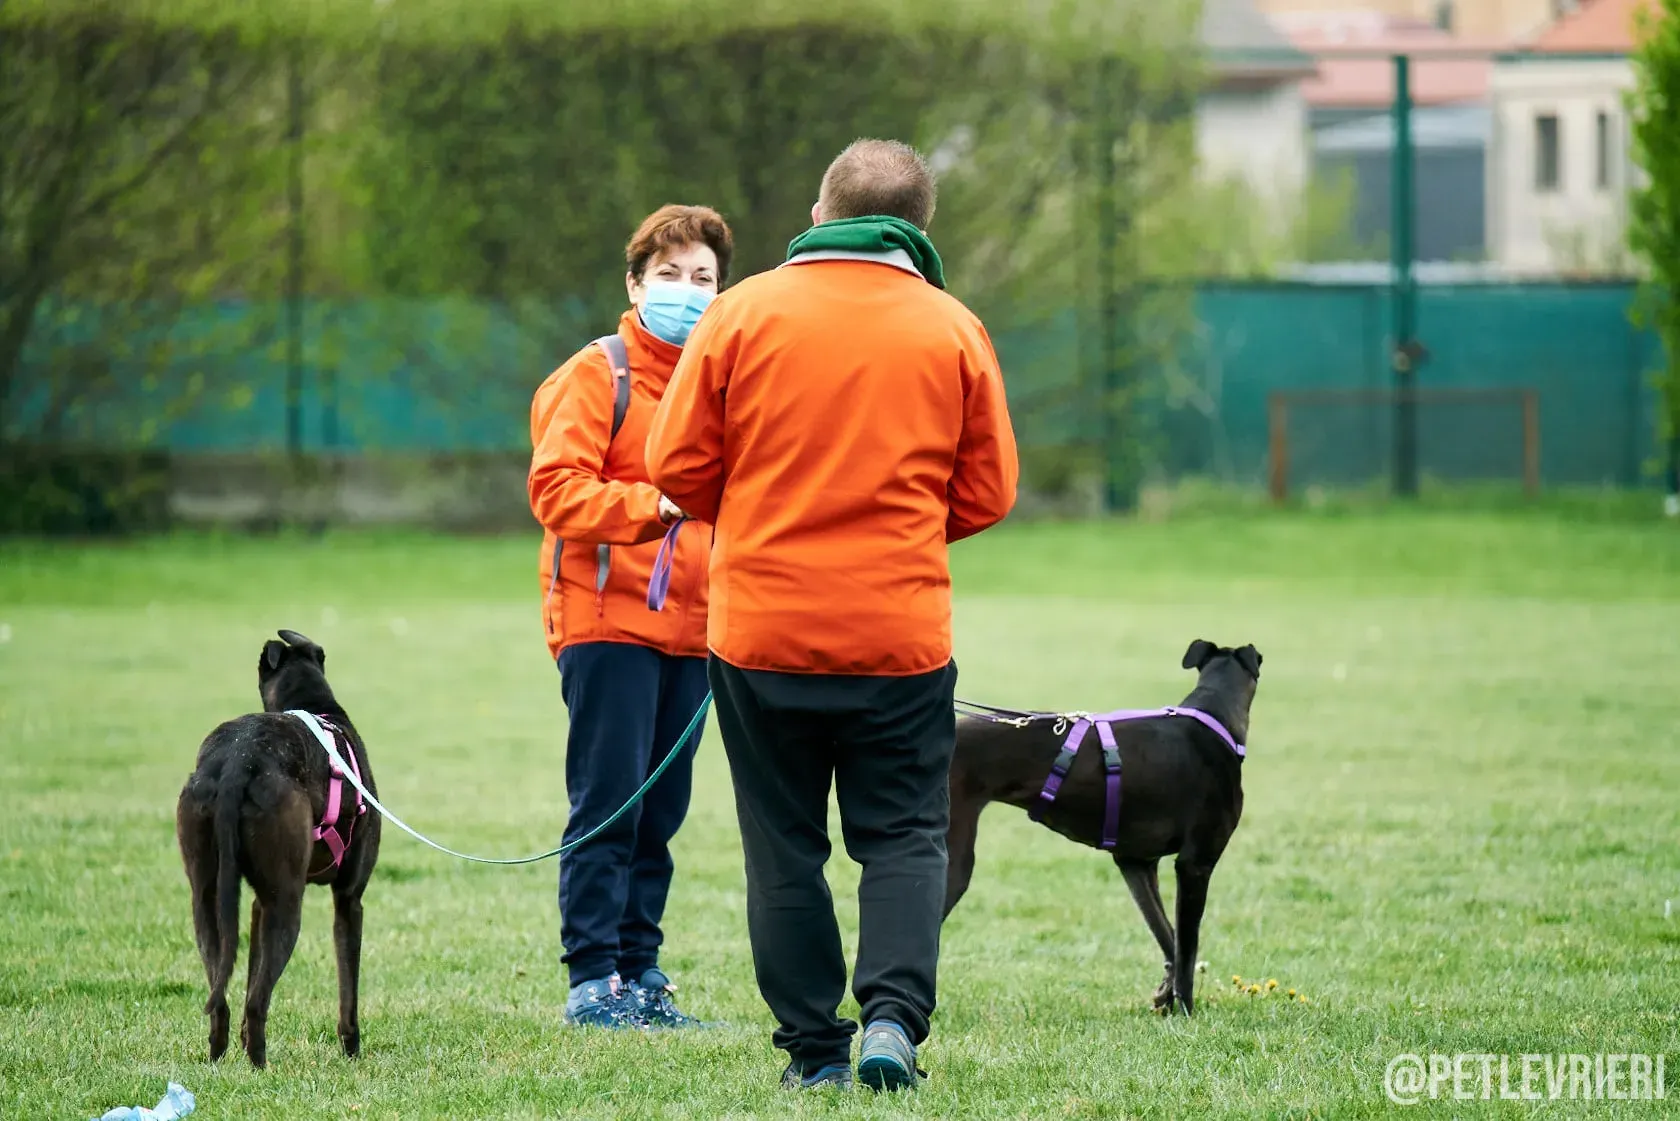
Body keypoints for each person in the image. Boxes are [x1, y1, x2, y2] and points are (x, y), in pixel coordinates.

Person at [645, 139, 1019, 1090]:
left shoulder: (740, 315)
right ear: (917, 231)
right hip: (899, 638)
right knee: (903, 835)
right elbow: (988, 491)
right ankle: (893, 1017)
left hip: (761, 634)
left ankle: (815, 1052)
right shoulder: (953, 327)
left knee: (784, 848)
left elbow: (676, 466)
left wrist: (767, 513)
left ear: (819, 216)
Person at [527, 204, 733, 1030]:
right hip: (607, 625)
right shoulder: (596, 374)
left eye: (703, 278)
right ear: (634, 282)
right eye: (670, 274)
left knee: (663, 812)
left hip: (700, 632)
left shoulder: (725, 378)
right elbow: (555, 488)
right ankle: (591, 982)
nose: (686, 291)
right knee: (609, 803)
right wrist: (658, 503)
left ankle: (643, 973)